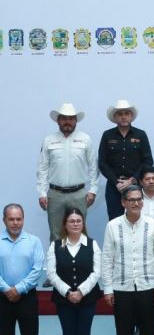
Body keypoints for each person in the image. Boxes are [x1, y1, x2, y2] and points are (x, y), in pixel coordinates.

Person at [100, 186, 154, 335]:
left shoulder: (153, 225)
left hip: (148, 287)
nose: (136, 203)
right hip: (122, 288)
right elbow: (107, 259)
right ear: (123, 202)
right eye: (131, 200)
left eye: (139, 199)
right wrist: (108, 289)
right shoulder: (112, 226)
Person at [45, 208, 101, 335]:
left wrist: (81, 291)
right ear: (65, 224)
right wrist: (68, 292)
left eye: (78, 221)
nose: (75, 224)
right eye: (71, 221)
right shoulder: (55, 246)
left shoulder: (92, 244)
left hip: (87, 299)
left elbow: (97, 272)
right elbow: (51, 273)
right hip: (64, 301)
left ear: (83, 223)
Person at [36, 103, 98, 242]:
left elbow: (93, 167)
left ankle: (79, 257)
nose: (67, 122)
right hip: (55, 195)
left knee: (79, 234)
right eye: (64, 118)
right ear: (58, 120)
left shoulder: (85, 139)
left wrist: (93, 191)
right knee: (55, 235)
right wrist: (42, 193)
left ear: (76, 121)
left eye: (71, 118)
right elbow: (42, 168)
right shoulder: (49, 140)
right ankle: (57, 257)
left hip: (79, 195)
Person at [0, 204, 44, 335]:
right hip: (2, 298)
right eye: (11, 219)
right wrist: (6, 289)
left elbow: (37, 269)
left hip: (27, 298)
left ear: (23, 219)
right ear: (4, 220)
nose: (15, 223)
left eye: (19, 219)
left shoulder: (34, 241)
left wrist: (19, 289)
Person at [98, 100, 153, 219]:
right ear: (115, 117)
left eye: (126, 113)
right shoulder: (107, 135)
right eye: (120, 114)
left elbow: (148, 161)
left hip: (135, 186)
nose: (123, 117)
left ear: (131, 116)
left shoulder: (140, 135)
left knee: (137, 218)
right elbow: (102, 163)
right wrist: (116, 182)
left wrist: (132, 180)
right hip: (114, 187)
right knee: (115, 220)